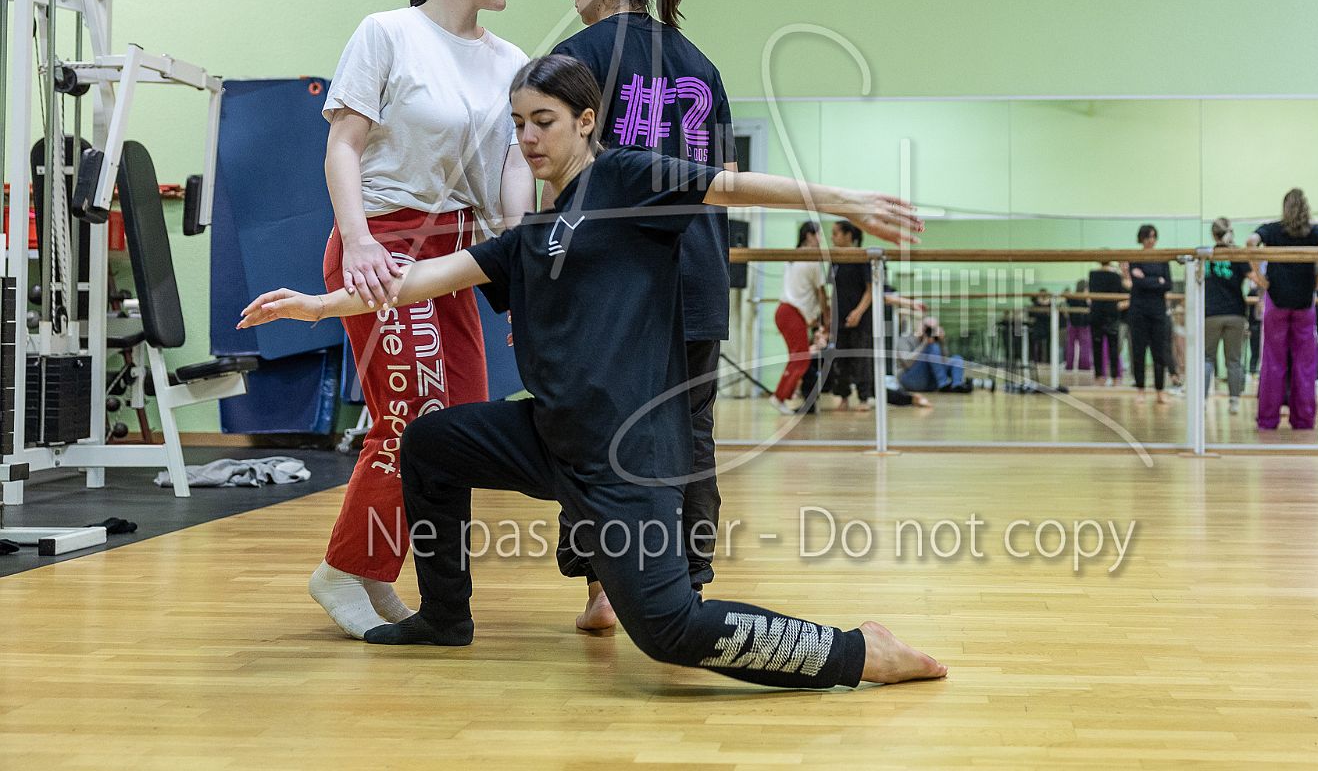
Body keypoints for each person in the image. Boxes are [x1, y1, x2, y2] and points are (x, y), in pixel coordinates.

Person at [238, 55, 945, 688]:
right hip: (552, 436)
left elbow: (729, 185)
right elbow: (418, 280)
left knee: (670, 631)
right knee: (430, 442)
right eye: (518, 124)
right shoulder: (528, 237)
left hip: (628, 456)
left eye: (543, 121)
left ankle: (858, 651)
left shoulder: (625, 179)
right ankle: (445, 616)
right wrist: (317, 306)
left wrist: (845, 202)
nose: (528, 139)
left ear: (585, 121)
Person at [310, 0, 533, 638]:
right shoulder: (387, 34)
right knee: (408, 419)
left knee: (458, 423)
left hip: (460, 250)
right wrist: (359, 240)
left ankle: (378, 571)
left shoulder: (511, 62)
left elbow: (512, 167)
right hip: (384, 238)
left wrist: (519, 258)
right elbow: (343, 146)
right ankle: (345, 569)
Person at [550, 0, 737, 629]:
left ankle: (603, 587)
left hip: (612, 283)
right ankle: (688, 582)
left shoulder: (576, 58)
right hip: (696, 273)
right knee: (690, 432)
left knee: (597, 431)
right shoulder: (701, 65)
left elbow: (558, 180)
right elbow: (721, 182)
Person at [1246, 188, 1318, 430]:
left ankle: (1268, 419)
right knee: (1304, 364)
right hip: (1304, 302)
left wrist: (1259, 277)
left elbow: (1251, 241)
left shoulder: (1273, 229)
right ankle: (1303, 419)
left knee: (1273, 361)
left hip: (1277, 300)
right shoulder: (1312, 232)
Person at [771, 221, 828, 414]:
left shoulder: (793, 257)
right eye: (819, 235)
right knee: (801, 359)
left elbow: (805, 292)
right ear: (809, 236)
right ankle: (779, 397)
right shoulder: (812, 258)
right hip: (791, 312)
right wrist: (827, 317)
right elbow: (821, 293)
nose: (821, 239)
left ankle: (783, 396)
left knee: (799, 358)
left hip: (787, 311)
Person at [826, 220, 875, 410]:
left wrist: (858, 312)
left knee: (861, 358)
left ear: (848, 236)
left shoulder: (862, 257)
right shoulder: (835, 259)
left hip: (860, 318)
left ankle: (864, 398)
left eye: (836, 233)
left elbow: (870, 290)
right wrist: (830, 314)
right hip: (840, 316)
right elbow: (833, 289)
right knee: (840, 358)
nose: (832, 237)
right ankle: (843, 396)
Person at [1122, 225, 1174, 405]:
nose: (1151, 241)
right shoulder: (1135, 258)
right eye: (1148, 237)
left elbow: (1168, 284)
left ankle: (1160, 390)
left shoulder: (1162, 259)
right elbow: (1138, 283)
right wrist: (1156, 281)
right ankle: (1140, 389)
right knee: (1138, 351)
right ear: (1141, 239)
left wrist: (1146, 279)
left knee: (1159, 352)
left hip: (1158, 311)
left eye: (1153, 237)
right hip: (1139, 311)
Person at [1204, 218, 1250, 413]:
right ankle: (1234, 401)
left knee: (1207, 358)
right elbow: (1254, 277)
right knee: (1234, 359)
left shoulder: (1207, 255)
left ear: (1214, 235)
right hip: (1235, 312)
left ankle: (1202, 400)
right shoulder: (1237, 255)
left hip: (1211, 313)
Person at [897, 317, 969, 393]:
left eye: (933, 329)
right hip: (911, 379)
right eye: (926, 327)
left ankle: (957, 385)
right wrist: (924, 344)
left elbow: (943, 362)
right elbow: (907, 363)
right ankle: (943, 383)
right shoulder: (905, 339)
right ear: (919, 325)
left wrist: (942, 342)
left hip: (930, 380)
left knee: (957, 359)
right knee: (932, 347)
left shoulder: (935, 342)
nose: (929, 331)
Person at [1087, 261, 1124, 385]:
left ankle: (1099, 376)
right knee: (1113, 347)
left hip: (1096, 313)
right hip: (1111, 314)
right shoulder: (1116, 276)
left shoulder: (1092, 274)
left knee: (1097, 347)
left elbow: (1091, 292)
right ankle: (1115, 377)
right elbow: (1120, 292)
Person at [1063, 280, 1092, 374]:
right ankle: (1084, 366)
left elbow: (1067, 299)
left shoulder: (1073, 297)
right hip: (1082, 325)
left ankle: (1070, 365)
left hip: (1074, 323)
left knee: (1071, 345)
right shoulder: (1086, 298)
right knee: (1084, 346)